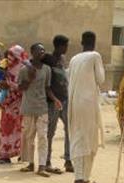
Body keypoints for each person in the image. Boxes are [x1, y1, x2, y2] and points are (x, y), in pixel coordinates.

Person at [68, 31, 105, 183]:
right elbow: (101, 79)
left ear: (81, 42)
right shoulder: (95, 56)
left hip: (75, 102)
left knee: (78, 136)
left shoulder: (74, 58)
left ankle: (80, 176)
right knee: (89, 138)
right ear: (94, 42)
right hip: (88, 103)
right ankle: (82, 178)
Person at [18, 43, 63, 176]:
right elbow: (20, 88)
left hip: (42, 107)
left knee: (43, 136)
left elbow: (47, 88)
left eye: (43, 50)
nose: (42, 52)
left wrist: (55, 99)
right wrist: (30, 78)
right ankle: (30, 163)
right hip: (28, 107)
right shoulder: (24, 70)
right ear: (32, 52)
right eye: (39, 50)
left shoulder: (46, 69)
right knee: (29, 136)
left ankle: (42, 166)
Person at [0, 45, 28, 164]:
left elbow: (24, 86)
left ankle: (21, 154)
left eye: (12, 55)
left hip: (19, 102)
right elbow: (1, 81)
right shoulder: (7, 67)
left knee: (20, 128)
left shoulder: (25, 69)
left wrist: (9, 85)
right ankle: (6, 154)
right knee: (7, 128)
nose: (9, 58)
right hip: (9, 103)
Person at [45, 35, 73, 173]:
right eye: (66, 46)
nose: (67, 48)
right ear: (60, 46)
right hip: (52, 102)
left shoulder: (62, 59)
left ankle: (68, 160)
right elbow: (46, 83)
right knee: (50, 132)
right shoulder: (48, 60)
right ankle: (47, 161)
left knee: (69, 129)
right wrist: (54, 98)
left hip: (65, 100)